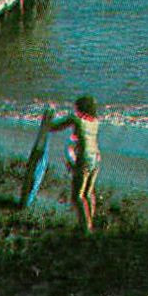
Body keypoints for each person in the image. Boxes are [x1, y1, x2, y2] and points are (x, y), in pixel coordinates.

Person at [48, 96, 101, 233]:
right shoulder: (95, 121)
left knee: (77, 196)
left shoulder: (76, 118)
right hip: (96, 157)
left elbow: (53, 127)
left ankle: (85, 229)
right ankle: (90, 222)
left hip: (85, 158)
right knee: (88, 194)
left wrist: (50, 112)